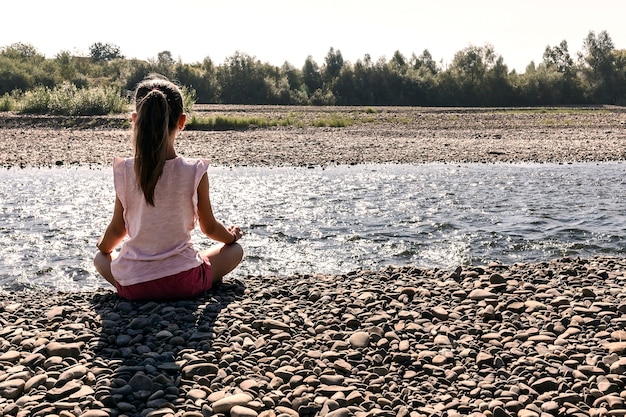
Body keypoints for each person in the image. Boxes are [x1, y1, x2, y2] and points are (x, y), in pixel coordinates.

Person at [94, 74, 243, 301]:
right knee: (235, 252)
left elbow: (117, 229)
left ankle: (142, 275)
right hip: (184, 282)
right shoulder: (195, 171)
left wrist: (103, 246)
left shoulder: (125, 170)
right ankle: (184, 266)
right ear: (182, 121)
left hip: (134, 286)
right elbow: (209, 228)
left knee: (99, 259)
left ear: (135, 119)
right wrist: (231, 238)